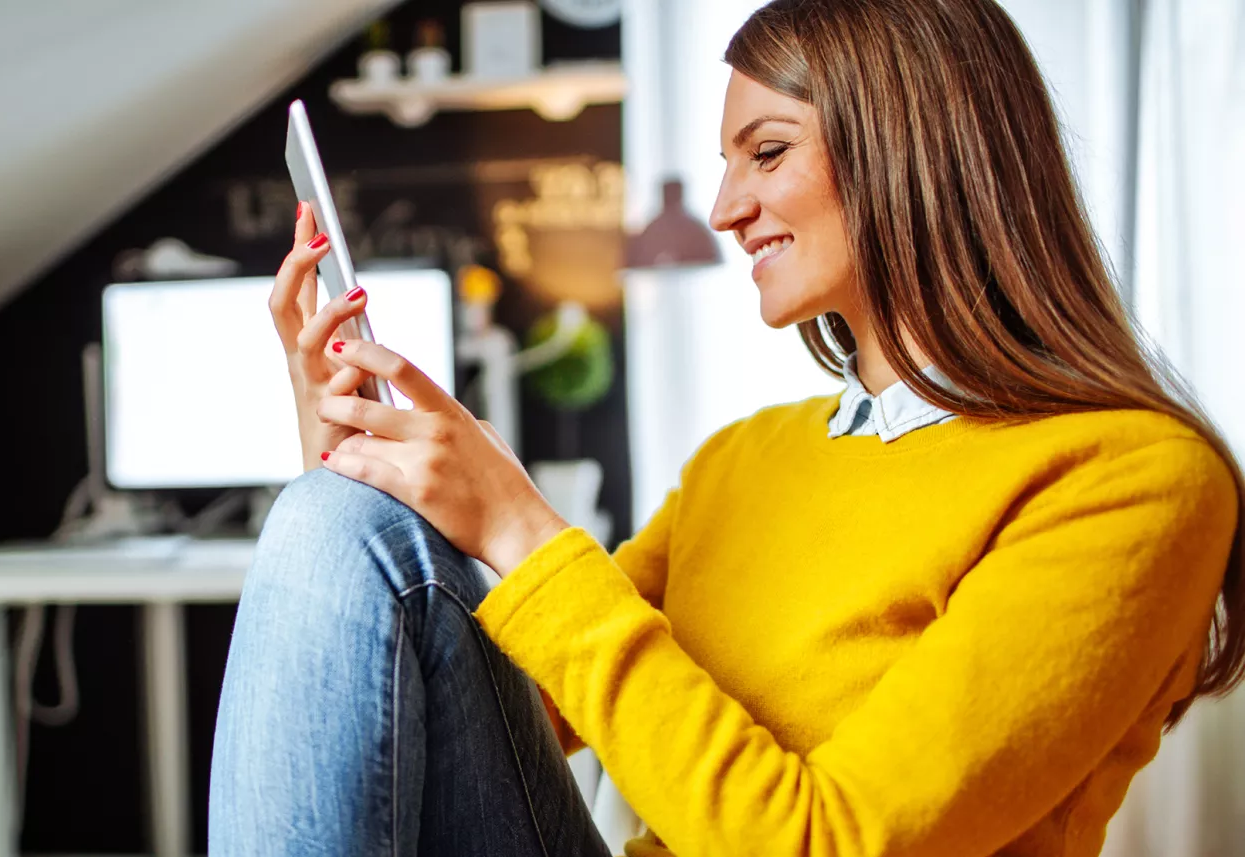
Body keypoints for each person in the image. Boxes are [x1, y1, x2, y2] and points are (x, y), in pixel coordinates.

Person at [208, 0, 1245, 854]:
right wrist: (341, 441)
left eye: (766, 152)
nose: (721, 205)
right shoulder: (746, 459)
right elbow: (474, 707)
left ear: (912, 150)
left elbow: (833, 841)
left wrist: (519, 525)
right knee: (335, 516)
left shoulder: (1132, 475)